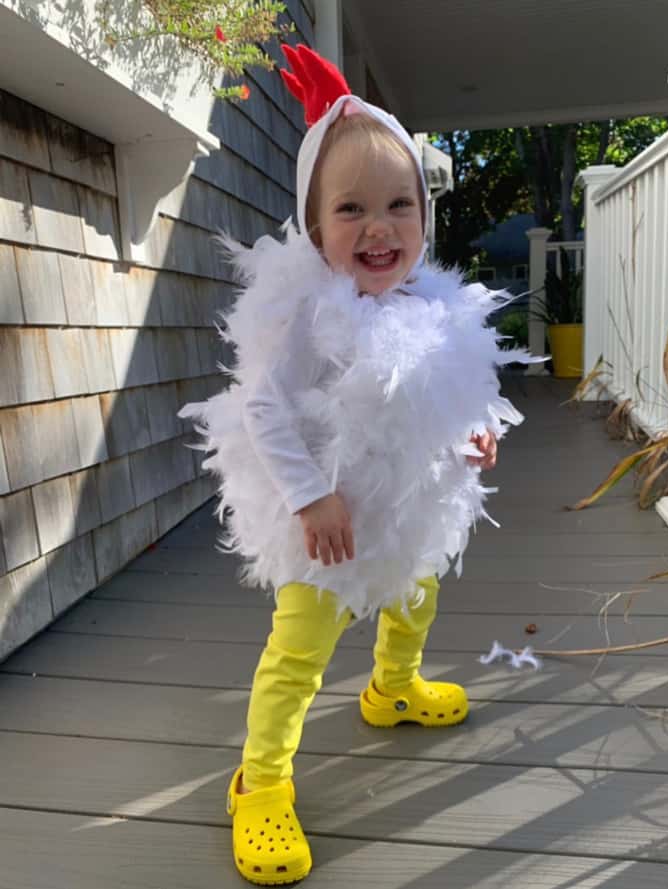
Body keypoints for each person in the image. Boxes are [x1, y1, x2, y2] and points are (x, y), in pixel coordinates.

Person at [179, 43, 530, 886]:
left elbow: (445, 390)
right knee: (298, 650)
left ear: (423, 217)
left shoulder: (430, 303)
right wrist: (311, 498)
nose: (379, 228)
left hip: (405, 505)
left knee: (417, 594)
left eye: (398, 205)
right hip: (326, 519)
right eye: (351, 209)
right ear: (313, 226)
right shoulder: (312, 314)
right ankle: (260, 781)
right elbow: (263, 405)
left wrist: (477, 433)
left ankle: (393, 685)